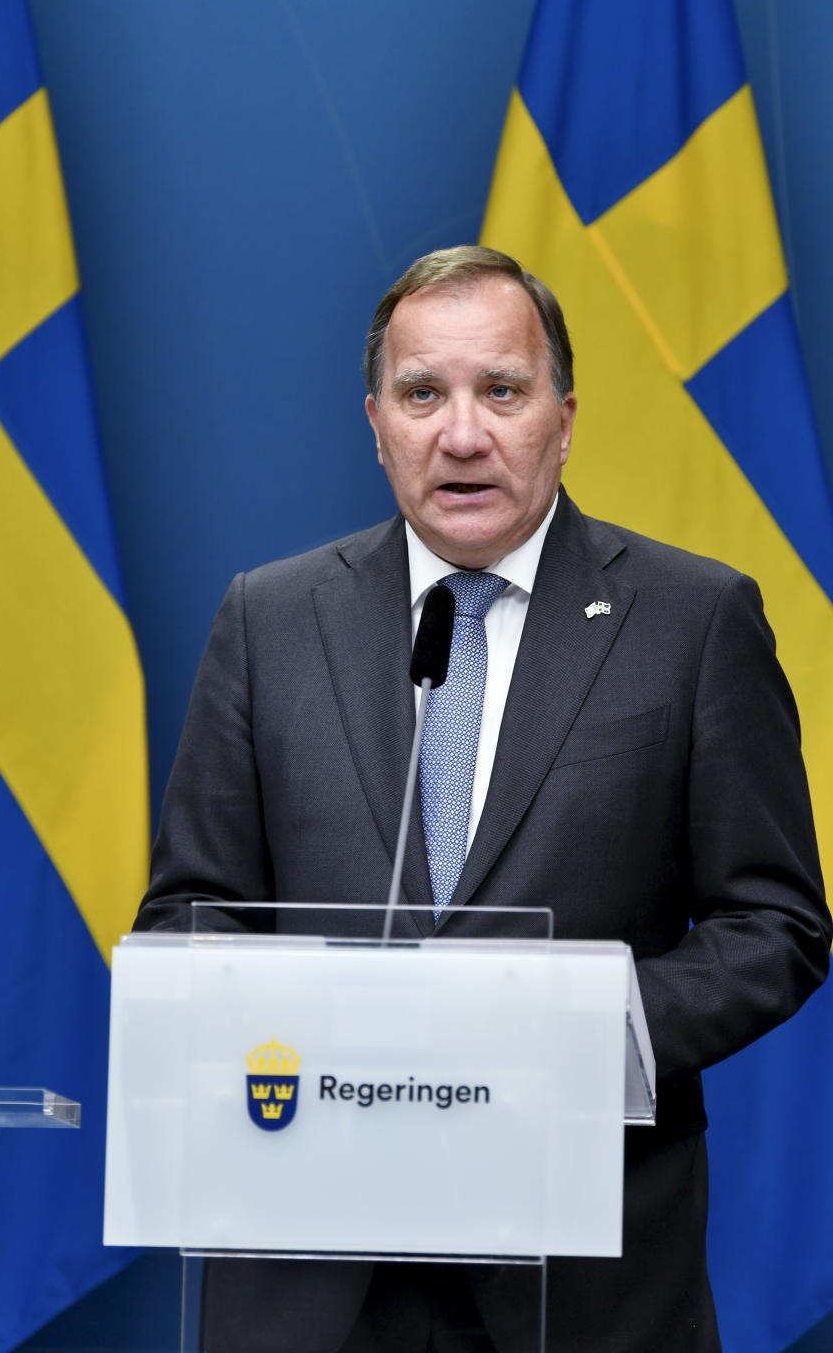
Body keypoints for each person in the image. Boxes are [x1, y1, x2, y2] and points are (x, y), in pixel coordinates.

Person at [136, 246, 830, 1353]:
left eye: (501, 390)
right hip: (319, 1270)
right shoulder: (270, 622)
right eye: (423, 394)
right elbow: (189, 918)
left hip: (582, 1281)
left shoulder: (694, 621)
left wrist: (579, 1037)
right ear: (375, 423)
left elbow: (777, 926)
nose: (462, 434)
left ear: (563, 416)